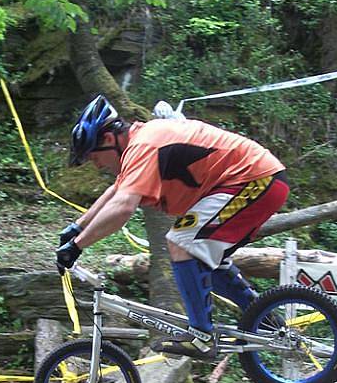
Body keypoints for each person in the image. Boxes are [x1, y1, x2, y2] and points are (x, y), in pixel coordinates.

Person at [56, 94, 290, 359]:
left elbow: (123, 207)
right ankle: (268, 321)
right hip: (256, 182)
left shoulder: (143, 144)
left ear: (109, 140)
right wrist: (77, 228)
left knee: (180, 242)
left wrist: (76, 246)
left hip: (255, 181)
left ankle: (202, 336)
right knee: (202, 264)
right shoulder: (139, 145)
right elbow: (116, 191)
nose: (95, 165)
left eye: (93, 157)